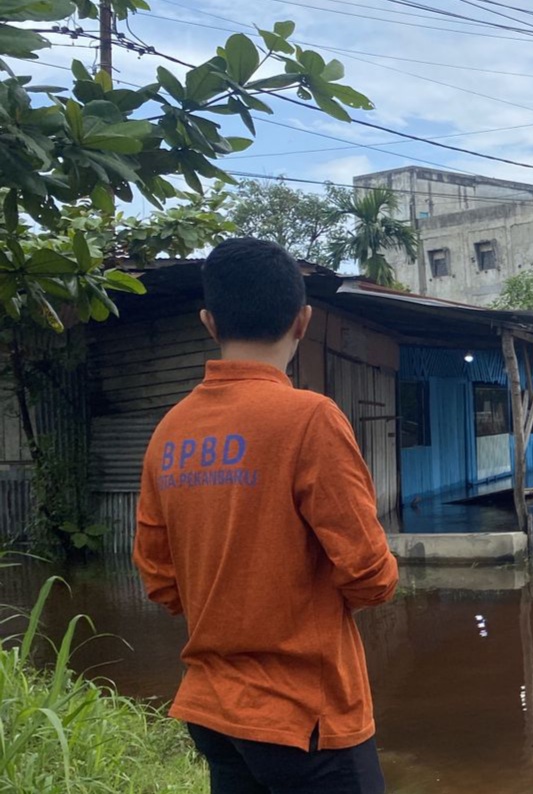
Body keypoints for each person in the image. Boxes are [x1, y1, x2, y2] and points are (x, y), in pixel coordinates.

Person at [133, 237, 398, 794]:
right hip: (307, 718)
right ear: (302, 321)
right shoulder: (309, 419)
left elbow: (160, 581)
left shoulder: (171, 430)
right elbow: (371, 576)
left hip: (215, 712)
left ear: (209, 322)